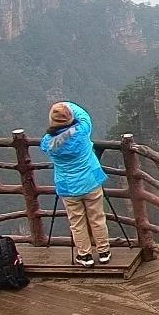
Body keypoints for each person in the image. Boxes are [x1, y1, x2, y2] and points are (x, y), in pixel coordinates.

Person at [41, 102, 110, 267]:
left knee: (77, 222)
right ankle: (103, 252)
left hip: (68, 187)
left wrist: (57, 112)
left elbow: (46, 141)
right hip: (90, 181)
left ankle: (85, 255)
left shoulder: (48, 143)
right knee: (97, 218)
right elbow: (84, 115)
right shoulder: (81, 131)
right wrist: (64, 105)